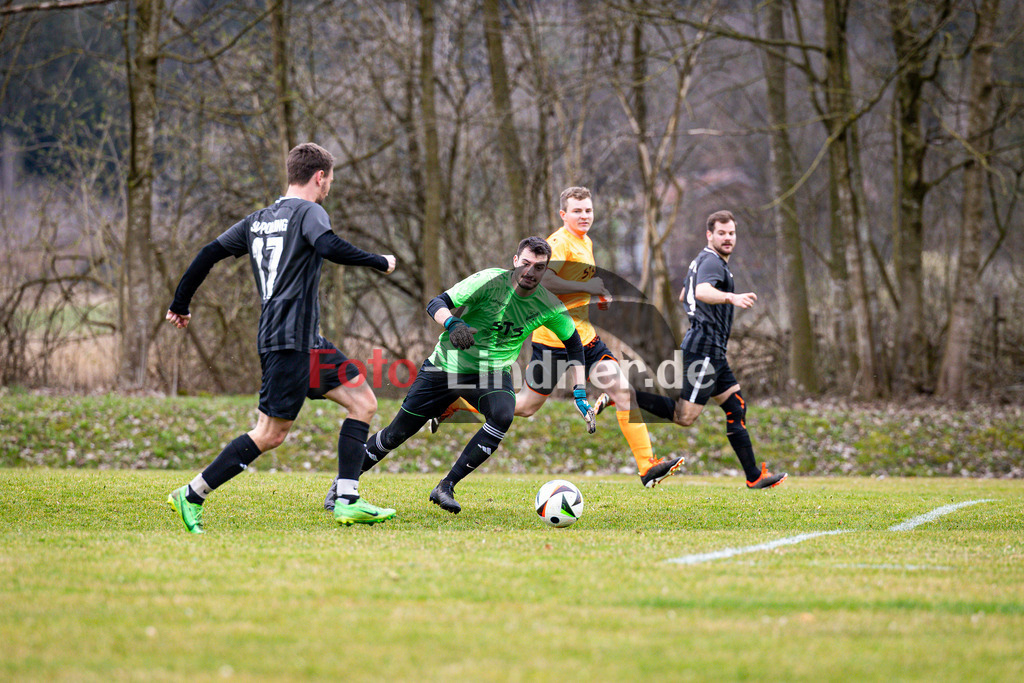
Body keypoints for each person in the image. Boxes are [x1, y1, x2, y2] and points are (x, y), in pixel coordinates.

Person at [164, 142, 398, 533]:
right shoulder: (311, 211)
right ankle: (191, 494)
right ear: (319, 177)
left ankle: (348, 499)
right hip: (289, 342)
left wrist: (181, 302)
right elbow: (327, 245)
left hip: (305, 340)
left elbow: (208, 252)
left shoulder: (257, 221)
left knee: (363, 401)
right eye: (330, 180)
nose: (329, 187)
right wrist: (379, 261)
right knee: (270, 434)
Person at [432, 186, 684, 488]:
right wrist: (588, 289)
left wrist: (596, 294)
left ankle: (647, 467)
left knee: (622, 390)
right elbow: (546, 283)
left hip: (585, 340)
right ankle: (457, 402)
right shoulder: (558, 242)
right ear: (563, 214)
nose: (584, 216)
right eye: (577, 211)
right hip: (552, 343)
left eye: (588, 210)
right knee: (525, 407)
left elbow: (578, 286)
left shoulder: (585, 241)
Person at [325, 236, 596, 515]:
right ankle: (341, 486)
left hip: (491, 373)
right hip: (445, 366)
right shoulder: (488, 280)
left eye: (539, 267)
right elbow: (437, 302)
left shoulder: (548, 304)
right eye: (525, 264)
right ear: (515, 262)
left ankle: (446, 486)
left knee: (503, 414)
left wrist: (578, 391)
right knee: (395, 434)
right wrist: (453, 322)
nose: (530, 272)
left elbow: (574, 345)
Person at [597, 210, 786, 489]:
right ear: (709, 235)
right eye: (721, 233)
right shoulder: (712, 263)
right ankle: (624, 394)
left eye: (731, 233)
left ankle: (754, 475)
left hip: (713, 351)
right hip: (704, 351)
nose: (727, 238)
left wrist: (701, 312)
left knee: (735, 406)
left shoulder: (703, 260)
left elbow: (684, 294)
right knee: (684, 416)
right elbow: (700, 292)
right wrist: (730, 297)